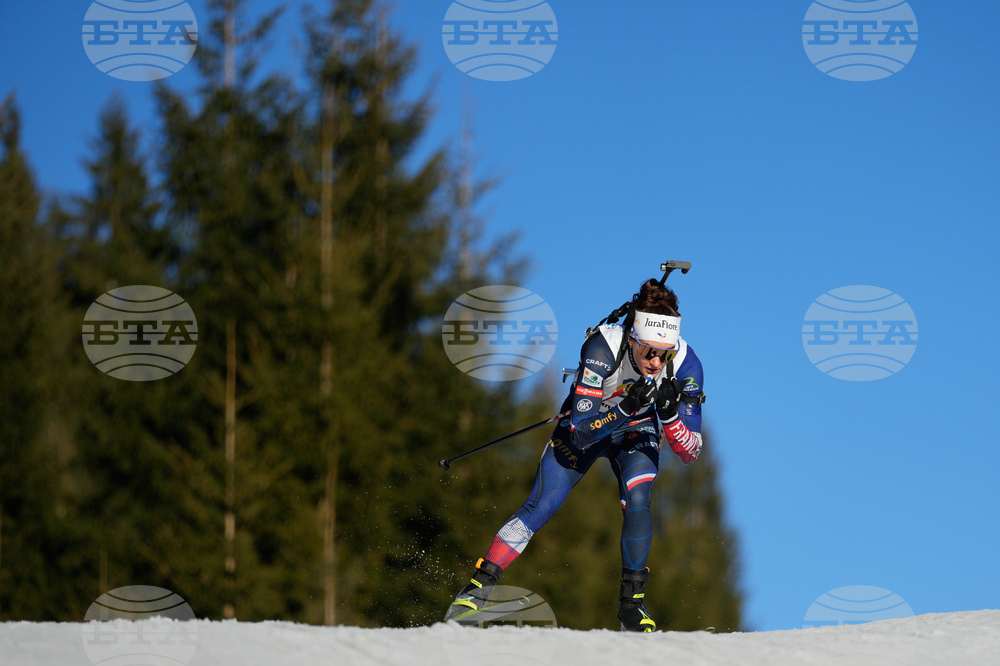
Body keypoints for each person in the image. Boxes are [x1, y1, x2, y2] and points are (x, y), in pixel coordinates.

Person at [444, 278, 705, 632]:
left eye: (665, 353)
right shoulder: (602, 348)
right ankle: (476, 590)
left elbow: (690, 452)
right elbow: (582, 432)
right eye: (649, 352)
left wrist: (671, 415)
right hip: (591, 423)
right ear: (632, 340)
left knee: (639, 497)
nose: (657, 362)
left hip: (636, 428)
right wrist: (626, 406)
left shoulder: (686, 364)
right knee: (544, 504)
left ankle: (632, 606)